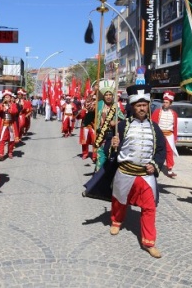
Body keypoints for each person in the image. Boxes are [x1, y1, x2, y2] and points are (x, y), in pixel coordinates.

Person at [108, 84, 167, 258]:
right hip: (125, 172)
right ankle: (116, 221)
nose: (142, 108)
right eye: (138, 105)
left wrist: (155, 165)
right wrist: (113, 146)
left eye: (144, 105)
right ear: (133, 106)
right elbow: (110, 149)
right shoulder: (121, 126)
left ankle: (149, 242)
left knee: (149, 207)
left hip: (145, 175)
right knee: (119, 201)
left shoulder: (155, 128)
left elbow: (161, 150)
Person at [151, 91, 178, 178]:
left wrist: (175, 137)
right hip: (160, 135)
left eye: (167, 103)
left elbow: (175, 127)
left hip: (169, 135)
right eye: (164, 102)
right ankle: (155, 166)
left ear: (170, 103)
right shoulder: (157, 112)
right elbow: (153, 124)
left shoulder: (174, 114)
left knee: (169, 152)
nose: (165, 104)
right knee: (158, 151)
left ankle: (170, 169)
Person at [0, 89, 20, 160]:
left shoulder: (13, 105)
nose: (7, 98)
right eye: (5, 97)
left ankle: (10, 152)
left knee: (11, 140)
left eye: (8, 97)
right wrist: (3, 106)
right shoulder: (1, 105)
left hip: (11, 125)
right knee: (2, 139)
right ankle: (1, 153)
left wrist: (8, 108)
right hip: (3, 125)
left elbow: (15, 111)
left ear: (10, 98)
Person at [76, 92, 97, 161]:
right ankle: (85, 153)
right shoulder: (86, 106)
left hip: (93, 126)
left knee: (94, 141)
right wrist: (80, 113)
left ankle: (94, 156)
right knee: (84, 141)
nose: (93, 100)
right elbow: (81, 116)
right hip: (85, 125)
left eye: (94, 99)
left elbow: (93, 109)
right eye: (92, 99)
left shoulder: (96, 106)